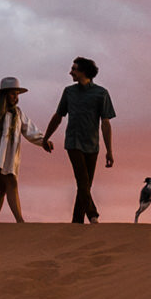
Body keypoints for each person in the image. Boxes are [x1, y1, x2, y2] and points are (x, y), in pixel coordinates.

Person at [42, 57, 114, 223]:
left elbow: (105, 123)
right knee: (82, 181)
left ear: (84, 72)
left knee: (85, 186)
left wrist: (109, 151)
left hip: (93, 145)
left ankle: (77, 223)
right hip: (74, 142)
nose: (70, 72)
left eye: (74, 69)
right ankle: (93, 216)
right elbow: (58, 116)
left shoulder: (101, 93)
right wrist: (46, 138)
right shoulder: (69, 92)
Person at [0, 76, 46, 221]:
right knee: (11, 182)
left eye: (17, 94)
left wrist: (43, 142)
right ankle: (20, 221)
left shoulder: (18, 113)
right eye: (12, 93)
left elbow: (30, 130)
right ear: (4, 94)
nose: (15, 97)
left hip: (10, 157)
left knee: (1, 189)